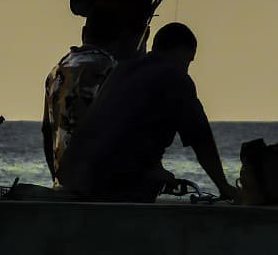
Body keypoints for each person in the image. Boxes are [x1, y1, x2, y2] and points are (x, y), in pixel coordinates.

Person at [57, 22, 240, 203]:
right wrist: (223, 186)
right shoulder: (175, 78)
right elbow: (201, 140)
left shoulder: (122, 70)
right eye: (189, 61)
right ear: (181, 51)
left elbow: (126, 129)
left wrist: (155, 169)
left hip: (72, 177)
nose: (187, 67)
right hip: (110, 183)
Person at [41, 30, 117, 185]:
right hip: (99, 184)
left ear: (83, 32)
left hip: (65, 182)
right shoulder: (111, 68)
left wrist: (56, 177)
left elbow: (47, 130)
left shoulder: (57, 71)